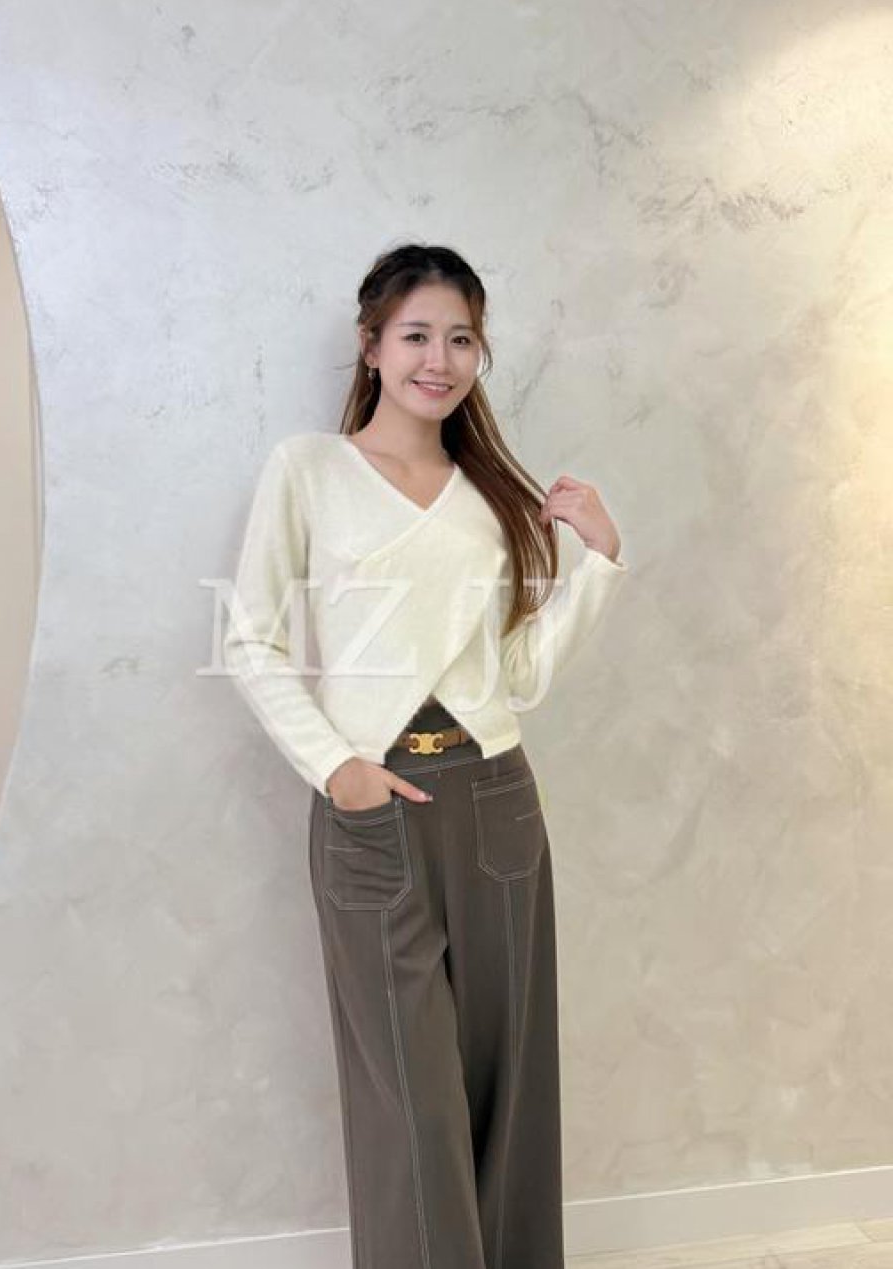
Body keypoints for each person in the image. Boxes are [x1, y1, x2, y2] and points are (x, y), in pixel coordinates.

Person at [222, 242, 627, 1269]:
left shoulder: (489, 492)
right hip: (371, 811)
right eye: (415, 336)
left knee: (506, 1087)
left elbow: (518, 675)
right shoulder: (308, 471)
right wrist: (338, 770)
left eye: (460, 339)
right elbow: (250, 640)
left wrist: (598, 564)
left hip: (496, 800)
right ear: (371, 346)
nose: (437, 360)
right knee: (413, 1105)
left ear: (479, 353)